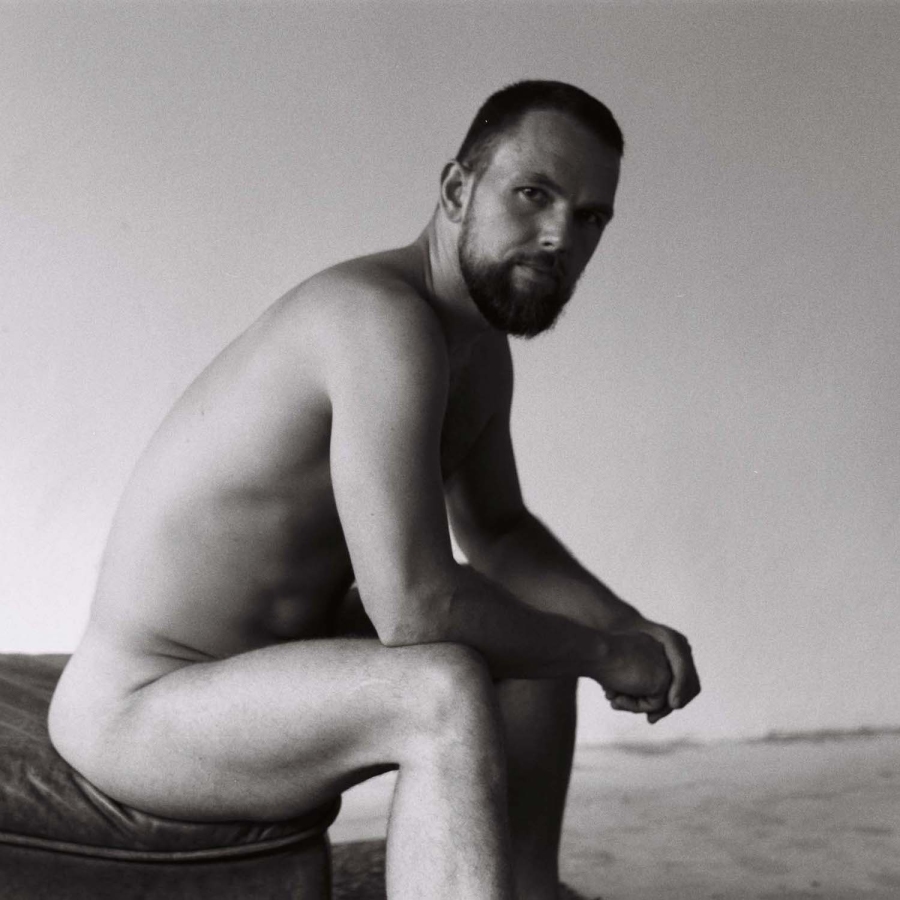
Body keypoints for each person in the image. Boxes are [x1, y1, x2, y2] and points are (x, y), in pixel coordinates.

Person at [49, 80, 700, 900]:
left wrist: (622, 624)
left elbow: (500, 531)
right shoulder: (377, 323)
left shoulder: (478, 353)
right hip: (143, 707)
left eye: (590, 216)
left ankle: (529, 888)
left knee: (527, 631)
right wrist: (605, 656)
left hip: (271, 674)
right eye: (533, 194)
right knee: (440, 690)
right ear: (457, 190)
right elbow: (416, 610)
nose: (558, 236)